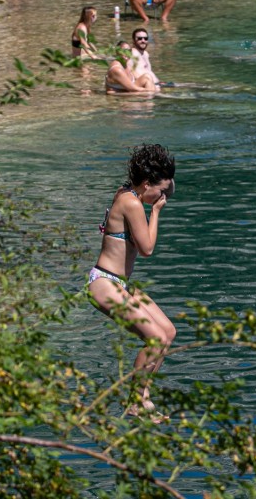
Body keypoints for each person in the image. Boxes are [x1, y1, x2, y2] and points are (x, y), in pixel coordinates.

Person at [87, 144, 176, 421]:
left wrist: (163, 187)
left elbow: (166, 187)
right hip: (104, 283)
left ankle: (144, 397)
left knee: (168, 332)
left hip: (120, 283)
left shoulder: (129, 191)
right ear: (147, 184)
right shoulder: (131, 203)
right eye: (159, 191)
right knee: (155, 337)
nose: (163, 196)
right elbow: (147, 248)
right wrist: (157, 212)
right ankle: (136, 402)